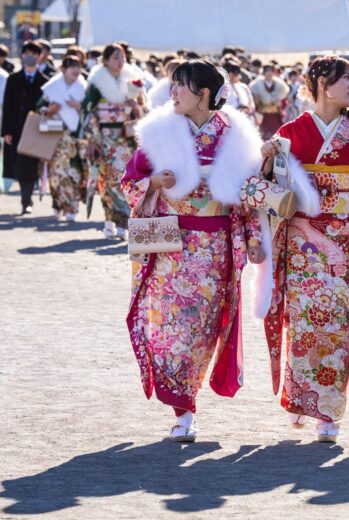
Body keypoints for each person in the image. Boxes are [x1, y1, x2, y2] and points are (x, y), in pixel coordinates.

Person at [253, 56, 349, 443]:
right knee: (305, 325)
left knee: (341, 325)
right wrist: (267, 160)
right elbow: (268, 190)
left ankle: (329, 413)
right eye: (345, 80)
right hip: (303, 247)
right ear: (321, 83)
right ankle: (302, 396)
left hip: (347, 246)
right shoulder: (290, 133)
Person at [122, 59, 272, 442]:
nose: (172, 92)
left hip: (214, 248)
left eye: (181, 86)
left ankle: (188, 401)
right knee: (171, 329)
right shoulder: (160, 131)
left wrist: (255, 238)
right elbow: (130, 180)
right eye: (172, 85)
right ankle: (183, 410)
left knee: (201, 330)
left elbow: (248, 192)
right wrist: (153, 183)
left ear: (203, 93)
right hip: (170, 247)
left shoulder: (234, 134)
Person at [82, 43, 145, 239]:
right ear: (106, 60)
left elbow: (143, 108)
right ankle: (110, 221)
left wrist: (136, 106)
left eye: (122, 57)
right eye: (116, 57)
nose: (120, 61)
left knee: (125, 179)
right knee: (106, 180)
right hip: (105, 138)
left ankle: (123, 223)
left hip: (126, 139)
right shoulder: (97, 82)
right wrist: (93, 139)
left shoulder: (132, 79)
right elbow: (88, 112)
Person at [38, 56, 87, 221]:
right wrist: (49, 109)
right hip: (55, 135)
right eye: (72, 66)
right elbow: (39, 106)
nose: (76, 70)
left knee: (74, 173)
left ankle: (72, 207)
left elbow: (91, 110)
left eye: (78, 67)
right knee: (56, 174)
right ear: (63, 69)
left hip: (75, 137)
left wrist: (78, 106)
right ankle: (58, 204)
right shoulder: (52, 86)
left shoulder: (83, 87)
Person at [1, 41, 47, 214]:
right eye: (27, 53)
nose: (30, 57)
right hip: (17, 127)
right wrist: (6, 131)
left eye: (33, 54)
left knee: (31, 163)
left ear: (39, 56)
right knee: (19, 163)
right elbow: (7, 106)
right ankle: (25, 199)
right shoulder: (13, 79)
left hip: (36, 129)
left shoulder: (44, 81)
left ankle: (27, 199)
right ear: (22, 56)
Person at [250, 64, 289, 139]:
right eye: (267, 71)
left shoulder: (280, 85)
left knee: (276, 135)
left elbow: (284, 100)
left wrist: (280, 103)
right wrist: (257, 100)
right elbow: (253, 100)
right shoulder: (257, 85)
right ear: (264, 72)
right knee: (263, 135)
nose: (269, 73)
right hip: (263, 115)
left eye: (271, 71)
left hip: (275, 114)